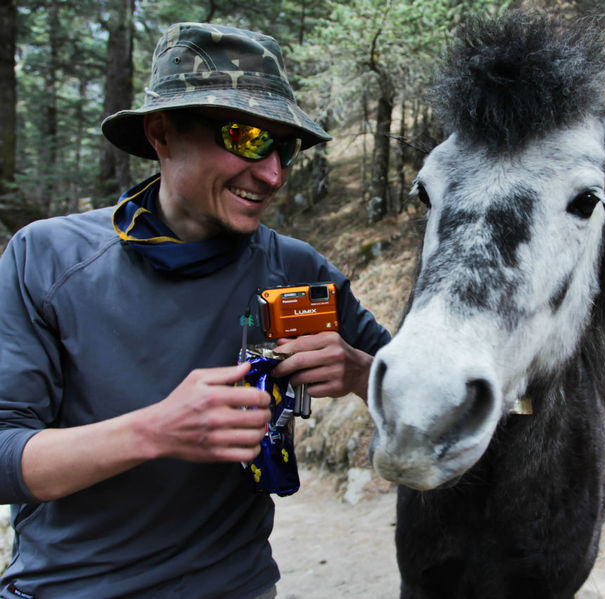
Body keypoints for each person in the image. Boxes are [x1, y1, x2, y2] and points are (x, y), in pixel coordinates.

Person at [0, 22, 391, 599]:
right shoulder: (48, 258)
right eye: (247, 137)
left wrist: (362, 374)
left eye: (284, 147)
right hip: (67, 588)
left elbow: (427, 391)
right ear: (161, 133)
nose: (273, 174)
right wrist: (156, 429)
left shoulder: (298, 270)